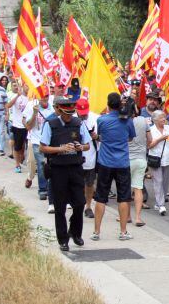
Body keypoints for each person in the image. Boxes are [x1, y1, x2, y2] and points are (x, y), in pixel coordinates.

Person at [40, 97, 92, 251]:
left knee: (80, 202)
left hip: (75, 167)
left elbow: (88, 145)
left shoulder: (78, 123)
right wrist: (60, 149)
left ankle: (75, 232)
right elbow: (43, 148)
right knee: (60, 205)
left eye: (71, 113)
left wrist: (79, 147)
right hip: (58, 169)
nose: (69, 117)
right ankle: (63, 239)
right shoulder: (51, 125)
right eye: (66, 114)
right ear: (57, 110)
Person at [92, 93, 134, 241]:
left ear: (108, 104)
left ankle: (96, 232)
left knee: (101, 198)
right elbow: (130, 137)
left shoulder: (101, 120)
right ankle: (123, 232)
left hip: (105, 162)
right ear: (120, 105)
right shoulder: (127, 121)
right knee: (123, 197)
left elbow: (101, 136)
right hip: (122, 162)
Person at [23, 94, 55, 205]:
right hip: (37, 141)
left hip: (51, 142)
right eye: (42, 96)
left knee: (51, 165)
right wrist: (34, 113)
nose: (44, 98)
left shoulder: (53, 109)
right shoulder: (33, 107)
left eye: (46, 96)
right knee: (41, 164)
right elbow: (28, 127)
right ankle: (42, 189)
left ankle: (51, 187)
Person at [147, 110, 169, 216]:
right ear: (155, 120)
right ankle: (161, 204)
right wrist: (160, 138)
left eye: (164, 117)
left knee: (165, 181)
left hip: (168, 158)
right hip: (156, 159)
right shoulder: (150, 130)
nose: (163, 119)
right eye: (161, 118)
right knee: (158, 181)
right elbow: (149, 145)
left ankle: (160, 201)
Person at [76, 98, 99, 219]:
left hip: (91, 155)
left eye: (85, 113)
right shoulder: (72, 119)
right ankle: (77, 204)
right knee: (76, 183)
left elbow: (102, 138)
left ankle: (88, 206)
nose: (83, 115)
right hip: (75, 157)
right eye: (81, 113)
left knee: (89, 183)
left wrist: (97, 136)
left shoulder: (96, 118)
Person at [128, 104, 149, 227]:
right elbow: (149, 138)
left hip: (126, 159)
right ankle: (138, 218)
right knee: (138, 188)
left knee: (125, 188)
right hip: (141, 158)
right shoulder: (143, 120)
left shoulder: (124, 121)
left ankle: (126, 216)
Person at [8, 82, 29, 175]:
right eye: (26, 85)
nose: (28, 88)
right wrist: (17, 96)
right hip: (18, 125)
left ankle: (21, 160)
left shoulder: (31, 98)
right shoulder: (17, 97)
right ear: (22, 86)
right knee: (17, 146)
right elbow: (8, 105)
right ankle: (17, 165)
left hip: (28, 126)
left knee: (23, 147)